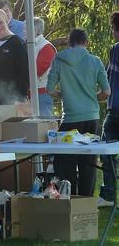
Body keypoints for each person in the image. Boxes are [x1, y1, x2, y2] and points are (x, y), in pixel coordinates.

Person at [47, 29, 110, 196]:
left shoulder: (59, 59)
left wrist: (64, 94)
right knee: (88, 163)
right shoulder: (95, 61)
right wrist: (93, 98)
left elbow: (50, 89)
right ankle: (86, 202)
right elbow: (106, 92)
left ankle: (69, 198)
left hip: (69, 119)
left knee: (64, 161)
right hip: (91, 117)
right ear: (86, 43)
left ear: (69, 43)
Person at [98, 12, 119, 207]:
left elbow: (108, 80)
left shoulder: (115, 50)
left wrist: (96, 97)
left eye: (113, 29)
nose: (112, 33)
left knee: (107, 152)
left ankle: (108, 195)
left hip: (116, 111)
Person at [33, 17, 56, 116]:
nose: (23, 31)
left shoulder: (46, 47)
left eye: (25, 29)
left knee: (44, 125)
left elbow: (37, 70)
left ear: (36, 30)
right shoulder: (28, 45)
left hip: (42, 93)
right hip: (30, 93)